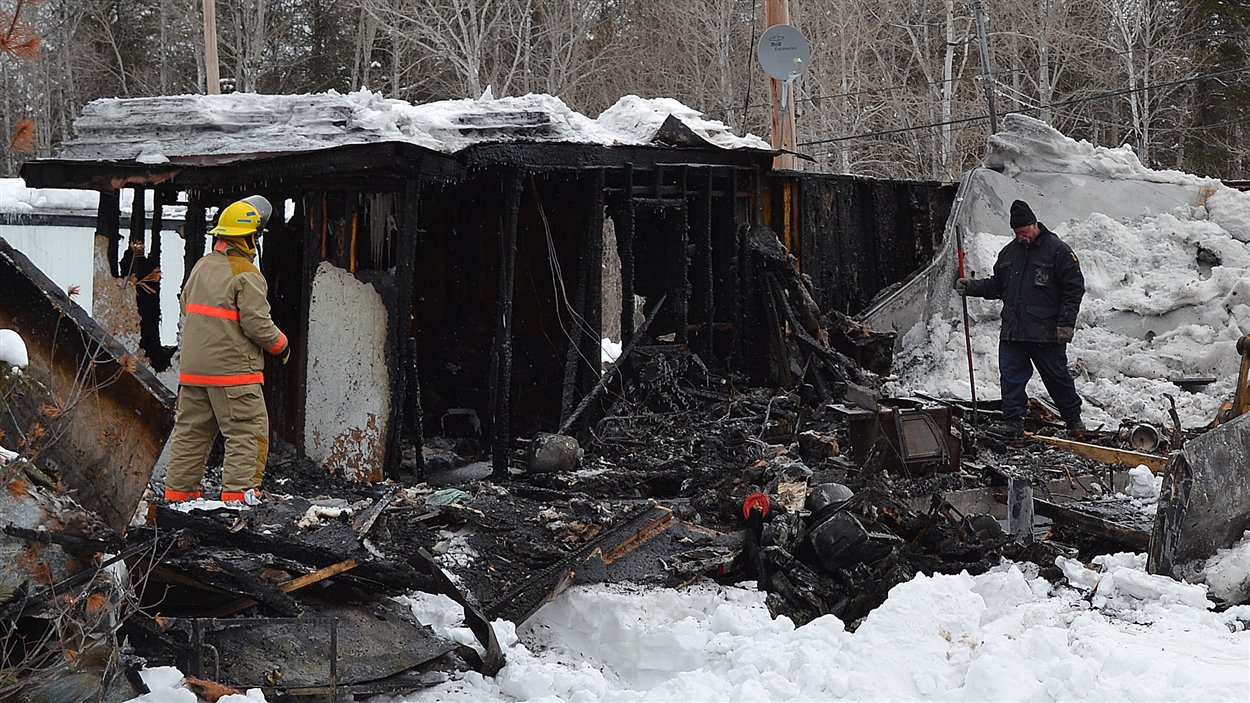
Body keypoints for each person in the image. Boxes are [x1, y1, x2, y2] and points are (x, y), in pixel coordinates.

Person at [163, 195, 290, 505]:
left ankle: (178, 498)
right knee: (247, 432)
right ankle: (238, 502)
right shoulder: (246, 273)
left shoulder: (202, 267)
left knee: (191, 434)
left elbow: (186, 308)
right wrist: (282, 346)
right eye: (256, 236)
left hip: (194, 372)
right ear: (248, 238)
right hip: (233, 375)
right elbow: (257, 324)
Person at [955, 199, 1085, 435]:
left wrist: (1066, 323)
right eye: (1017, 233)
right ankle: (1013, 422)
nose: (1021, 237)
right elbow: (998, 286)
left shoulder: (1058, 251)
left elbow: (1074, 288)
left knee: (1057, 377)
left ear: (1035, 225)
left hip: (1045, 333)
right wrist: (972, 287)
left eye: (1024, 232)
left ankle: (1074, 421)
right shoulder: (1008, 254)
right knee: (1011, 377)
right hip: (1014, 331)